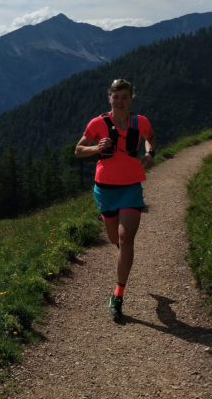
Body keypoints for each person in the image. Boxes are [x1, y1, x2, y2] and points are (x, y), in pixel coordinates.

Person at [75, 79, 156, 319]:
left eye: (124, 97)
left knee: (125, 237)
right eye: (115, 97)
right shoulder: (97, 123)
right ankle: (123, 250)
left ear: (131, 99)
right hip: (105, 189)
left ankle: (118, 294)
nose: (119, 101)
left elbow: (150, 136)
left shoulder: (139, 121)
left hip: (131, 186)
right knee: (114, 238)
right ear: (110, 98)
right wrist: (97, 148)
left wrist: (150, 152)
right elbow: (79, 150)